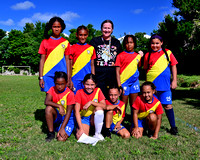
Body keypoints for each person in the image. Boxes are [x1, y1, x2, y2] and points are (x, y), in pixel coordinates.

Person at [143, 34, 178, 135]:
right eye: (153, 43)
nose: (155, 45)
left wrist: (174, 80)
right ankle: (150, 128)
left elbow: (174, 66)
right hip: (151, 87)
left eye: (157, 43)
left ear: (161, 43)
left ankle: (173, 127)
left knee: (168, 106)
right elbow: (145, 69)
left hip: (165, 86)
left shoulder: (167, 52)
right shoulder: (147, 55)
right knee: (150, 108)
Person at [89, 20, 123, 98]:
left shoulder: (116, 42)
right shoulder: (95, 41)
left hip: (112, 76)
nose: (106, 30)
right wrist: (93, 77)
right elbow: (91, 60)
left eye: (109, 28)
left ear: (112, 30)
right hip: (98, 76)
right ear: (101, 29)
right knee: (99, 98)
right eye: (105, 28)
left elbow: (121, 58)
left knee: (111, 98)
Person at [38, 16, 71, 92]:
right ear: (51, 27)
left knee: (61, 99)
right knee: (49, 99)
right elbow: (42, 60)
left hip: (62, 76)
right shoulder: (45, 41)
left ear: (62, 27)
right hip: (48, 75)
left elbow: (68, 61)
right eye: (54, 27)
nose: (56, 29)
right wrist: (41, 77)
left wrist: (69, 78)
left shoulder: (65, 42)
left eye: (58, 27)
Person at [44, 71, 75, 142]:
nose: (60, 86)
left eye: (62, 84)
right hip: (58, 116)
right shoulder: (52, 89)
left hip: (67, 118)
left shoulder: (70, 94)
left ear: (66, 83)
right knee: (48, 108)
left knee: (61, 139)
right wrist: (59, 106)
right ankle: (51, 133)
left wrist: (62, 128)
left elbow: (69, 113)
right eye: (57, 84)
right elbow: (47, 101)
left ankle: (63, 127)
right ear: (54, 83)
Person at [74, 73, 106, 140]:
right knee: (81, 137)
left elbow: (104, 106)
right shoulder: (79, 92)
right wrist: (81, 128)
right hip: (84, 118)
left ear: (96, 84)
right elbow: (76, 112)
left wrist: (91, 102)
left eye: (92, 85)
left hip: (93, 117)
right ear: (83, 83)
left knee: (99, 109)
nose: (89, 87)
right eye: (87, 84)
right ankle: (80, 127)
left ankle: (97, 133)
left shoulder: (98, 91)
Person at [115, 35, 141, 113]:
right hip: (124, 83)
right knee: (123, 105)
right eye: (127, 43)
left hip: (134, 82)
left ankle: (134, 123)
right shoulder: (120, 55)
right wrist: (119, 85)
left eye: (131, 42)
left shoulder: (137, 56)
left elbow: (138, 67)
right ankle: (120, 123)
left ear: (134, 43)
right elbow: (117, 71)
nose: (129, 45)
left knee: (134, 105)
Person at [70, 25, 96, 94]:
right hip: (75, 79)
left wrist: (93, 79)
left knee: (86, 100)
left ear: (87, 35)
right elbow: (69, 66)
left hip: (87, 80)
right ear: (77, 35)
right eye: (80, 35)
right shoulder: (72, 48)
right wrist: (69, 79)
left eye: (85, 35)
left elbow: (92, 65)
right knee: (74, 100)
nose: (83, 37)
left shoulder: (91, 48)